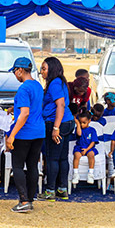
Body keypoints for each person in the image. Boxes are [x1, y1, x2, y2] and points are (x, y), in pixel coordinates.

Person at [5, 57, 45, 213]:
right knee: (33, 166)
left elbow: (25, 113)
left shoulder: (23, 89)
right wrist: (13, 108)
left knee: (17, 166)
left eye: (15, 71)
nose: (15, 75)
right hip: (38, 131)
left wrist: (12, 135)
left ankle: (23, 200)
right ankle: (30, 199)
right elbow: (32, 107)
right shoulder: (37, 86)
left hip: (24, 133)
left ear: (20, 70)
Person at [38, 56, 74, 201]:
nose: (41, 72)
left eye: (44, 69)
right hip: (67, 122)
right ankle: (62, 189)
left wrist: (56, 127)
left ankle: (50, 191)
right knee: (63, 158)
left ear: (52, 69)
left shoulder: (54, 83)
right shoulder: (60, 82)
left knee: (52, 158)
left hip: (57, 122)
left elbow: (60, 105)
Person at [72, 111, 98, 185]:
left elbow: (93, 142)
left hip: (89, 148)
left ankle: (90, 174)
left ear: (89, 121)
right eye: (80, 122)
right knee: (76, 155)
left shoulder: (92, 130)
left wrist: (86, 149)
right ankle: (76, 174)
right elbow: (79, 134)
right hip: (79, 147)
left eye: (84, 123)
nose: (82, 124)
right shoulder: (78, 128)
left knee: (91, 155)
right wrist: (77, 124)